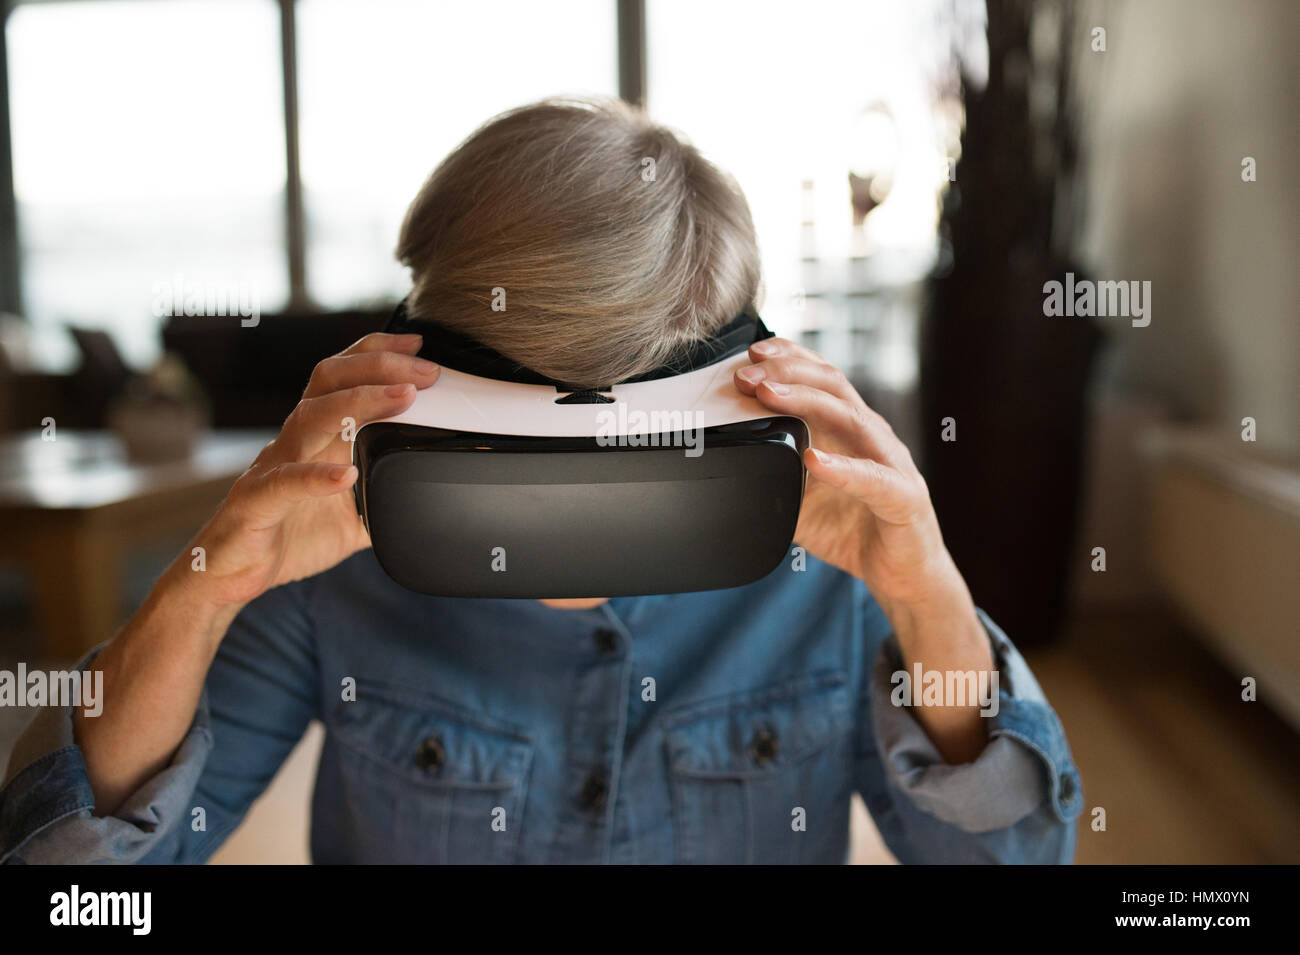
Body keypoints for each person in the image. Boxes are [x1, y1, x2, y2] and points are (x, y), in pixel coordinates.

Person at [0, 98, 1081, 864]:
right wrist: (204, 585)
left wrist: (927, 595)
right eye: (528, 462)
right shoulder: (332, 567)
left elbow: (1013, 863)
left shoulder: (826, 568)